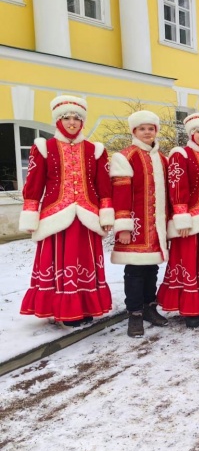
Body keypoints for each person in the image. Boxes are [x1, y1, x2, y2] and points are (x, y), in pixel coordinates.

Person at [18, 95, 114, 326]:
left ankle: (87, 306)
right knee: (59, 262)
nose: (72, 123)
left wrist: (106, 213)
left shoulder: (95, 150)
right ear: (57, 121)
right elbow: (33, 184)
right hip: (55, 217)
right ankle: (62, 308)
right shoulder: (44, 148)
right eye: (67, 118)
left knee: (86, 261)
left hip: (87, 217)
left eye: (77, 119)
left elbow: (104, 187)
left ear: (83, 122)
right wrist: (31, 213)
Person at [110, 110, 169, 338]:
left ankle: (148, 308)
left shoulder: (162, 159)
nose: (147, 132)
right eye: (142, 128)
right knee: (134, 271)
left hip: (156, 227)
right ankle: (134, 314)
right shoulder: (125, 156)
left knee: (152, 268)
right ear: (134, 131)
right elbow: (121, 193)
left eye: (151, 128)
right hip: (135, 225)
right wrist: (123, 225)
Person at [156, 112, 199, 328]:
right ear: (191, 133)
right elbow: (176, 185)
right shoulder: (181, 154)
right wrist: (181, 216)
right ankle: (190, 309)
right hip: (189, 220)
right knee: (189, 261)